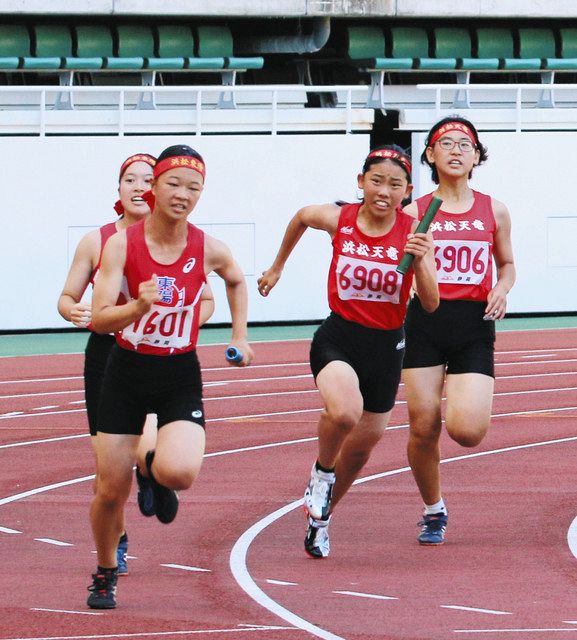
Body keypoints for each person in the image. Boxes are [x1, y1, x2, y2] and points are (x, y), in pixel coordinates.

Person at [86, 144, 253, 609]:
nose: (182, 195)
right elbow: (99, 319)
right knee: (109, 490)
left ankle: (153, 471)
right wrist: (138, 306)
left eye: (193, 188)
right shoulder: (122, 245)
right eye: (173, 184)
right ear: (154, 187)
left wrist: (239, 334)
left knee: (179, 473)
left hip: (179, 370)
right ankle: (104, 572)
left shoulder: (208, 248)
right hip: (125, 371)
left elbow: (236, 279)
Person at [258, 145, 439, 558]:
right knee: (344, 412)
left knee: (359, 452)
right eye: (376, 180)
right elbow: (303, 215)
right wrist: (277, 266)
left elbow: (430, 304)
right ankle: (321, 473)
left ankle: (320, 520)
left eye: (395, 185)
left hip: (386, 348)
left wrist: (422, 262)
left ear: (407, 191)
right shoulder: (339, 218)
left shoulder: (413, 233)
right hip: (338, 337)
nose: (383, 191)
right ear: (361, 182)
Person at [402, 117, 516, 546]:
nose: (455, 150)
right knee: (423, 425)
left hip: (474, 323)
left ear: (476, 156)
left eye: (464, 144)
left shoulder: (494, 209)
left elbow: (506, 264)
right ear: (430, 155)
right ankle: (434, 510)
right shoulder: (415, 211)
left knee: (467, 431)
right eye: (444, 143)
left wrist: (502, 289)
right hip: (425, 322)